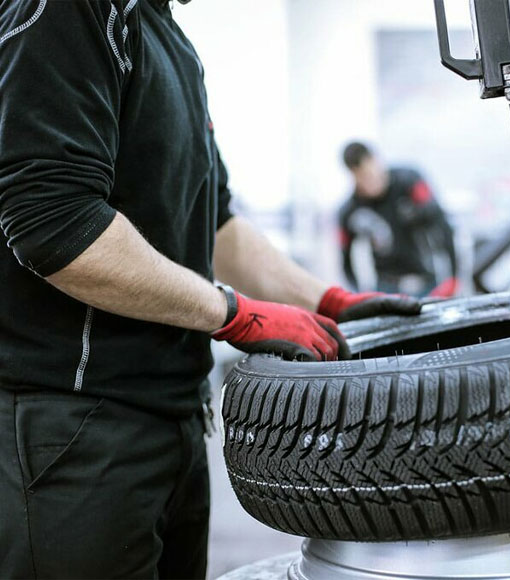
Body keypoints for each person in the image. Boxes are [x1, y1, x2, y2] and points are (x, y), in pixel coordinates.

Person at [0, 2, 419, 578]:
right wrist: (234, 314)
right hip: (74, 429)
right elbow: (57, 226)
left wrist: (324, 300)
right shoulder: (71, 11)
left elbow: (217, 223)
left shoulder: (168, 40)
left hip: (171, 417)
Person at [338, 142, 459, 298]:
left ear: (376, 161)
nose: (371, 183)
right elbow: (345, 258)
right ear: (352, 175)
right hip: (386, 286)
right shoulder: (351, 211)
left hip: (426, 281)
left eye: (371, 174)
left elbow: (441, 224)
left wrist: (453, 277)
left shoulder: (409, 183)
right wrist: (357, 294)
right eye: (363, 178)